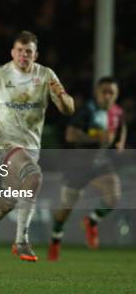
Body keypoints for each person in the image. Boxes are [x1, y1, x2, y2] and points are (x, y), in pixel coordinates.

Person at [0, 30, 74, 265]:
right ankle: (21, 241)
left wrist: (60, 96)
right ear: (13, 52)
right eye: (19, 50)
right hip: (5, 144)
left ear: (35, 54)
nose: (23, 55)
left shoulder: (45, 75)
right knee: (33, 177)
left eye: (28, 51)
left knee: (9, 201)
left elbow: (68, 109)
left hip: (31, 148)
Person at [48, 77, 126, 261]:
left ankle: (91, 222)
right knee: (65, 209)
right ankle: (55, 240)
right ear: (97, 93)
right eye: (104, 92)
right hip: (78, 165)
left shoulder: (116, 112)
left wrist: (120, 142)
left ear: (116, 95)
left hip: (99, 163)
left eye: (111, 92)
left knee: (114, 195)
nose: (107, 96)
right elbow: (70, 135)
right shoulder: (87, 111)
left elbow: (122, 125)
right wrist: (97, 138)